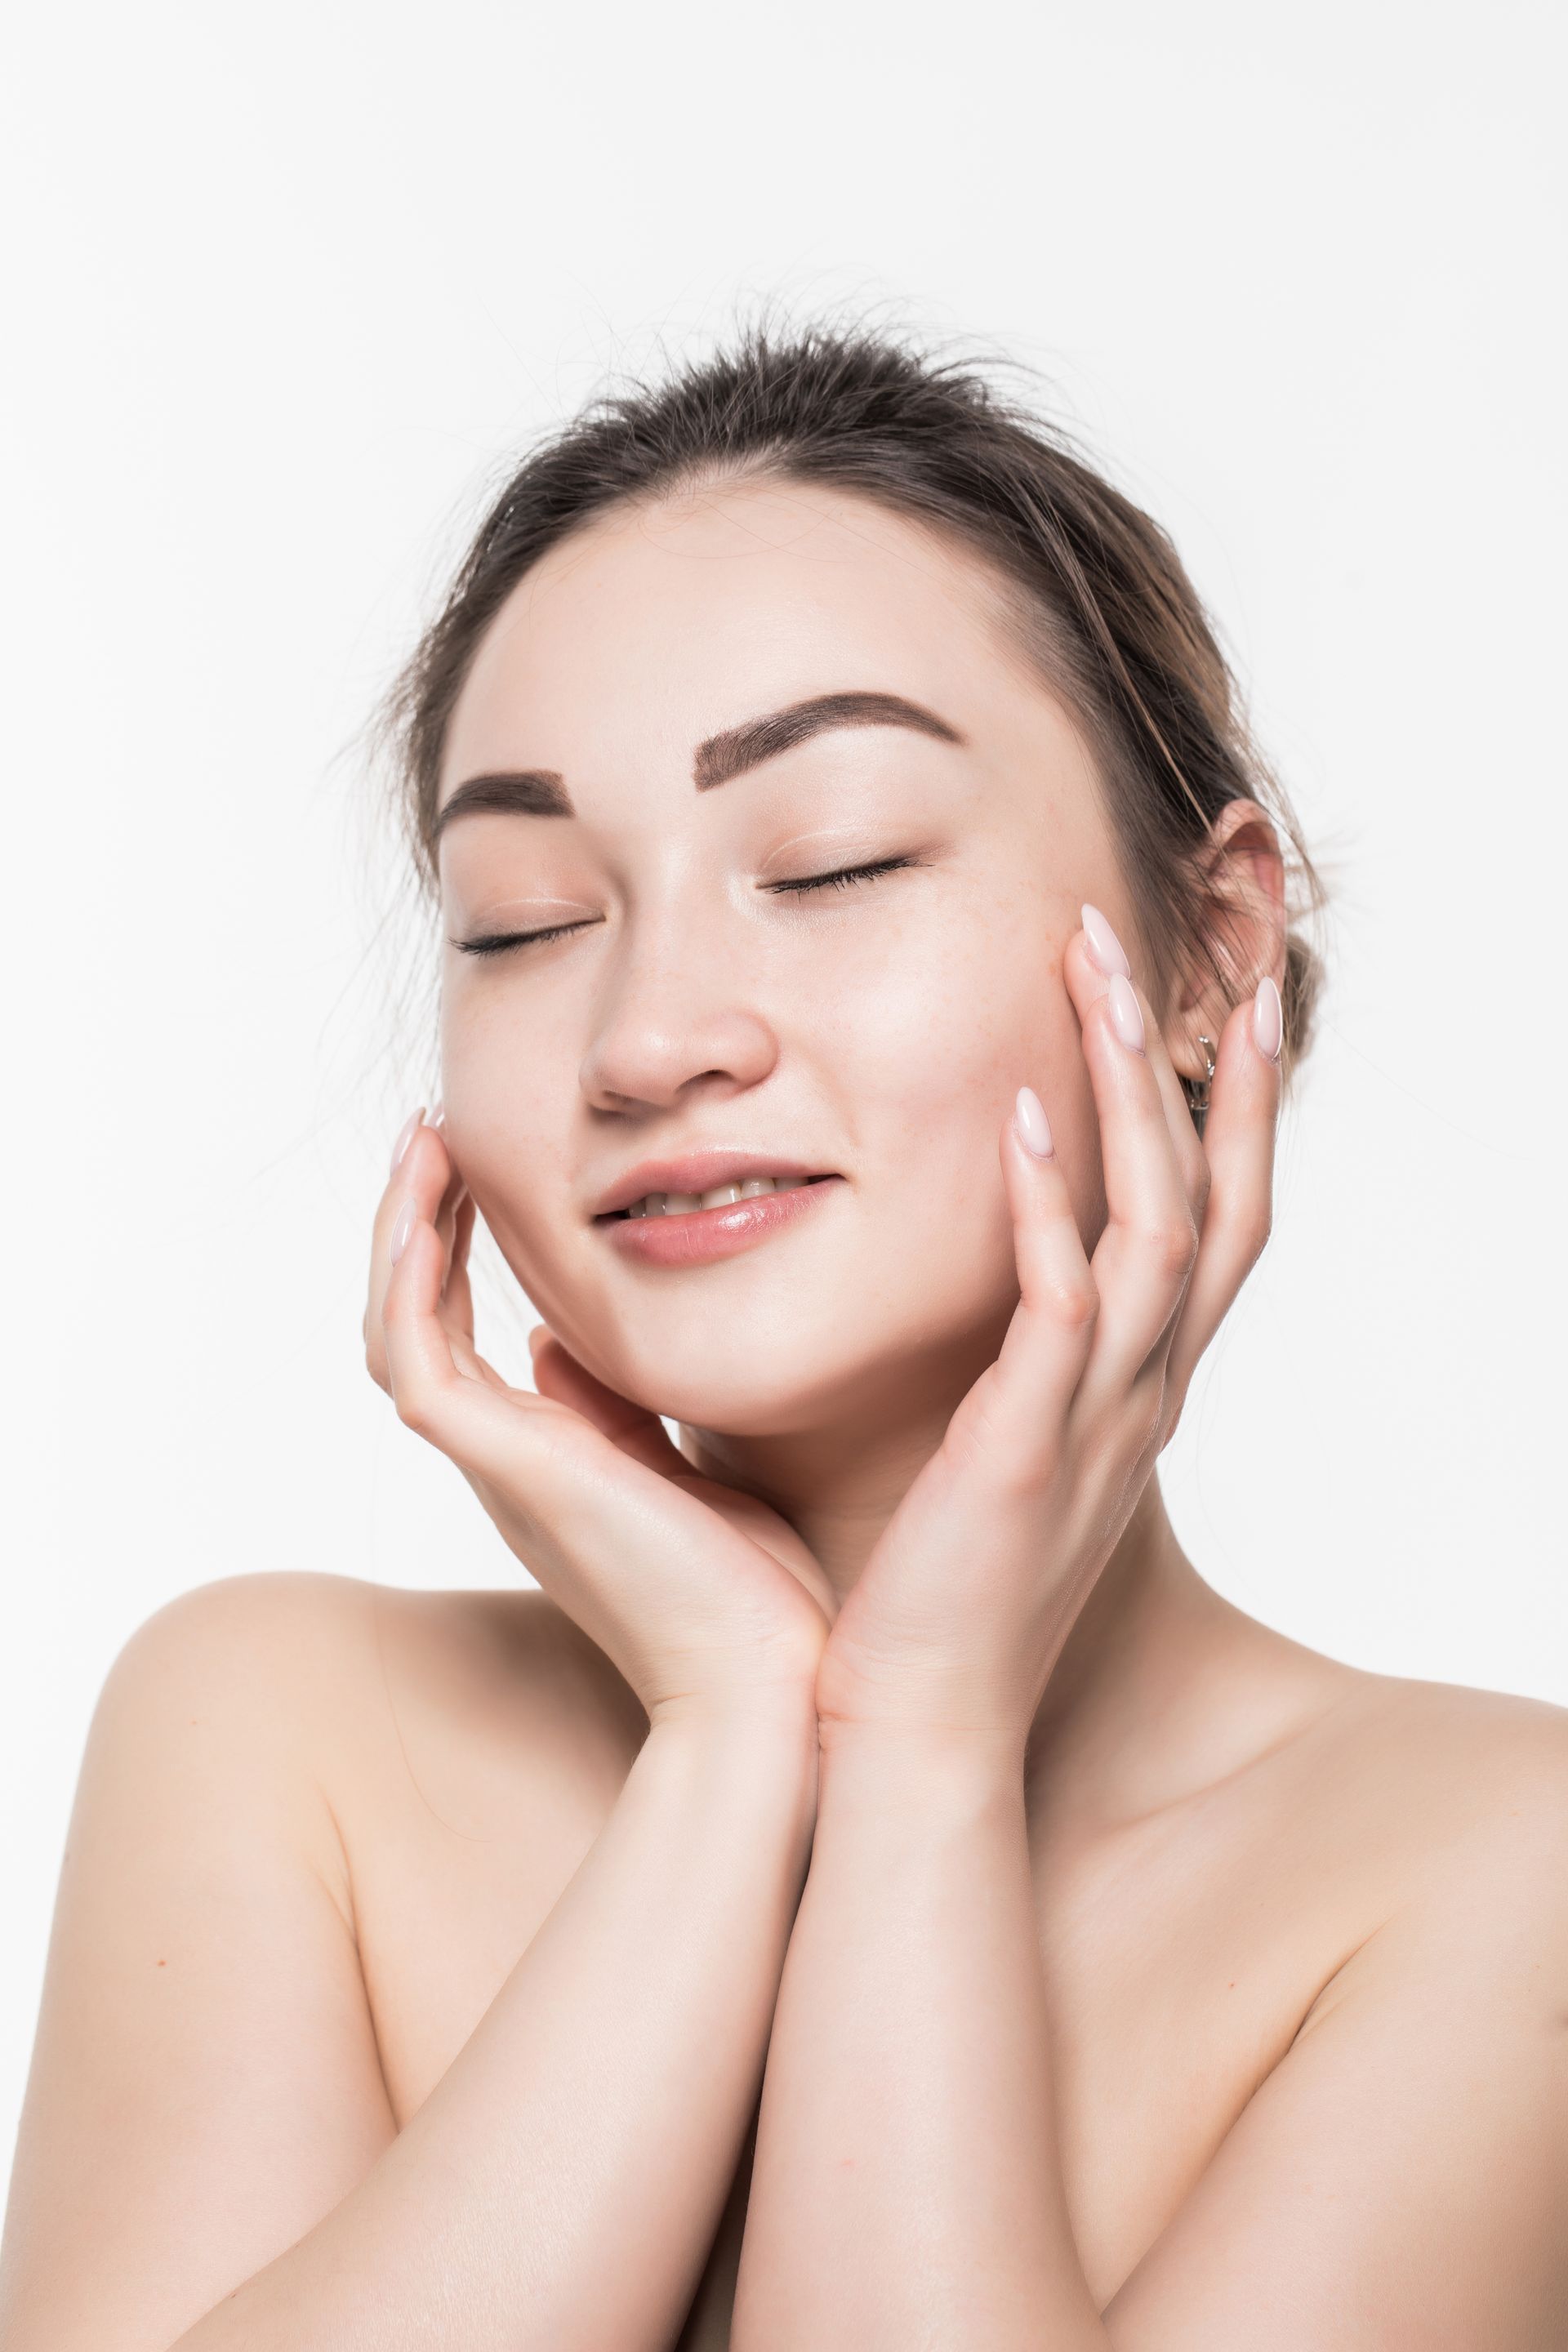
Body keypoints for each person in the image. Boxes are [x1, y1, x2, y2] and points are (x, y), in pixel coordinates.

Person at [3, 318, 1565, 2352]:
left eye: (834, 862)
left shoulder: (1489, 1874)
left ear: (1219, 956)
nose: (653, 1038)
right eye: (524, 920)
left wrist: (920, 1750)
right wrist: (733, 1724)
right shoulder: (278, 1734)